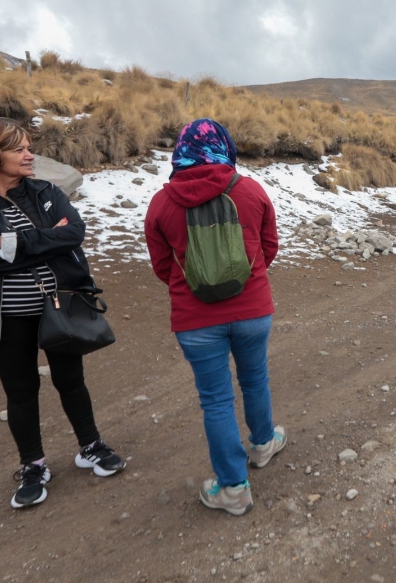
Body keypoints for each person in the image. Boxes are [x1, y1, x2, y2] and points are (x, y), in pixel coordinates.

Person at [0, 117, 125, 509]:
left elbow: (73, 233)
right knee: (21, 392)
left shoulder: (45, 192)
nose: (29, 154)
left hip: (58, 306)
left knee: (71, 380)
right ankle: (33, 465)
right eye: (18, 148)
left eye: (27, 146)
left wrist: (6, 243)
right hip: (3, 317)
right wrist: (43, 241)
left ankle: (90, 445)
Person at [145, 118, 285, 516]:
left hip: (194, 319)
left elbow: (161, 266)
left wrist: (189, 285)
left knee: (216, 400)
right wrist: (249, 278)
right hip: (253, 309)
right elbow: (269, 245)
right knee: (255, 378)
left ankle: (233, 489)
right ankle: (262, 445)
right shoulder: (250, 190)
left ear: (180, 152)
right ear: (225, 147)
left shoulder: (162, 202)